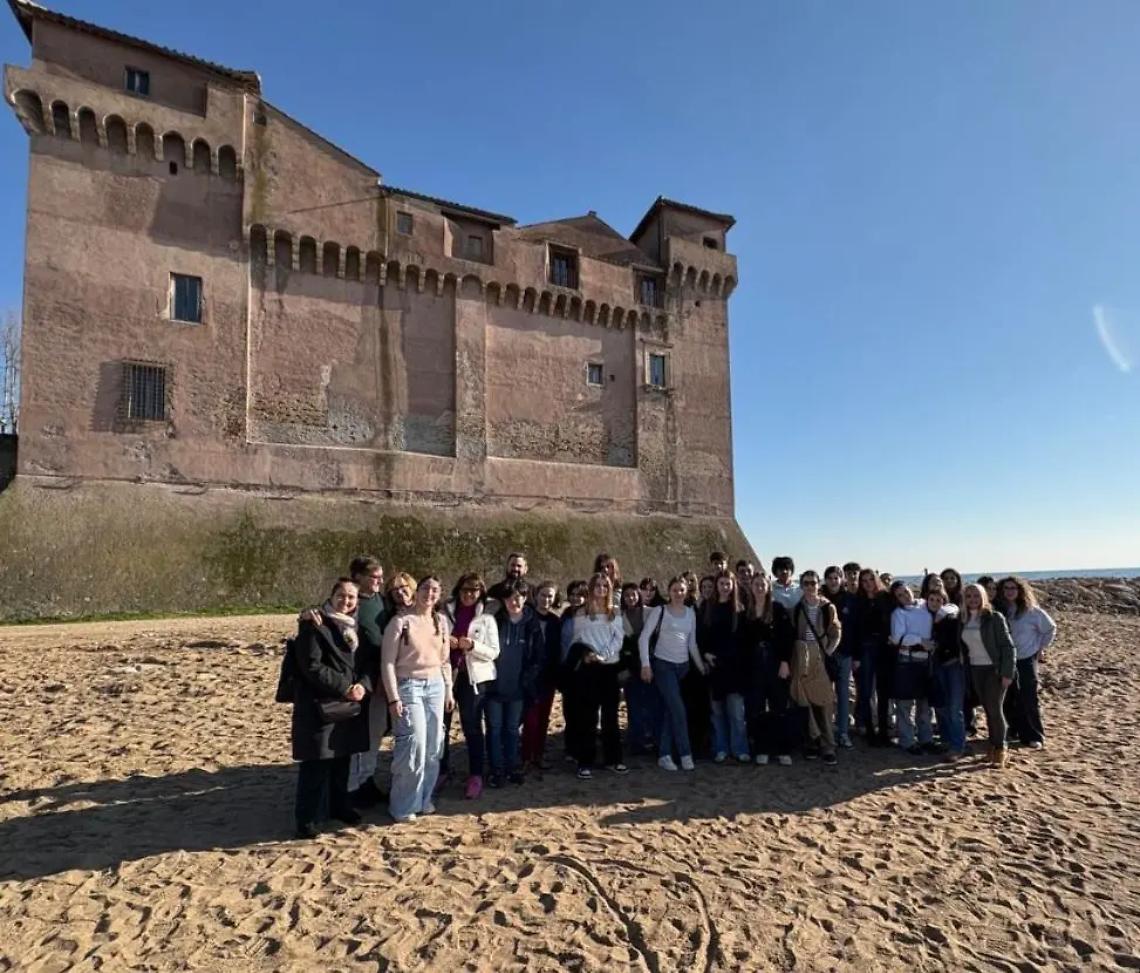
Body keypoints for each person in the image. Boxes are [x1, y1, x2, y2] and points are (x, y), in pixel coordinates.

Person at [290, 578, 375, 839]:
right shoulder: (314, 623)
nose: (346, 601)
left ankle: (339, 807)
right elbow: (312, 667)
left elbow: (366, 664)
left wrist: (363, 685)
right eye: (342, 595)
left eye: (351, 597)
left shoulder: (356, 629)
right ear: (332, 595)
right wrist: (345, 687)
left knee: (342, 760)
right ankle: (307, 819)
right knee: (316, 764)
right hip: (321, 704)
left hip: (349, 705)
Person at [381, 575, 454, 823]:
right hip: (408, 686)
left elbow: (444, 660)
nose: (429, 593)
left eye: (435, 590)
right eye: (425, 588)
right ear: (417, 591)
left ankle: (424, 798)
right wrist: (393, 698)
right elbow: (388, 662)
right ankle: (402, 805)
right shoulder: (400, 622)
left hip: (435, 685)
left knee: (434, 746)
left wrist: (449, 690)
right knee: (414, 745)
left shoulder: (441, 621)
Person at [440, 573, 501, 800]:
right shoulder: (443, 613)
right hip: (446, 674)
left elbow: (494, 652)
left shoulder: (487, 619)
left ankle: (475, 774)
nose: (469, 594)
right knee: (442, 727)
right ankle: (442, 769)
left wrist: (473, 645)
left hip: (473, 678)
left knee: (472, 726)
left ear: (480, 593)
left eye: (474, 590)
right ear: (458, 589)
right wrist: (448, 643)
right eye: (465, 589)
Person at [639, 577, 705, 771]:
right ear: (669, 591)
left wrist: (701, 668)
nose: (678, 593)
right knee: (678, 709)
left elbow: (691, 644)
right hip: (663, 666)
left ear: (686, 592)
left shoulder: (690, 613)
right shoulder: (660, 611)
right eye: (675, 590)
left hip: (683, 667)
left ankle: (665, 754)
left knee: (671, 711)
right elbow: (644, 638)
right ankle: (685, 754)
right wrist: (646, 665)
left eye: (682, 590)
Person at [564, 573, 626, 779]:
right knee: (588, 717)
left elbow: (619, 639)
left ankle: (613, 759)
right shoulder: (582, 612)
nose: (601, 589)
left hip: (609, 668)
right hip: (589, 669)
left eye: (604, 586)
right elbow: (577, 639)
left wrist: (604, 654)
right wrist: (587, 654)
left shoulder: (615, 612)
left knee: (611, 716)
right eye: (597, 586)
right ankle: (585, 762)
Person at [486, 580, 542, 787]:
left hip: (518, 687)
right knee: (494, 729)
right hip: (494, 686)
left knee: (511, 729)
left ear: (526, 598)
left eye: (519, 596)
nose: (514, 601)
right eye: (509, 597)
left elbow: (537, 655)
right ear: (503, 600)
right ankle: (496, 770)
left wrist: (529, 679)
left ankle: (512, 767)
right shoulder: (494, 620)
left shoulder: (531, 623)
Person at [994, 576, 1057, 750]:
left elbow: (1050, 628)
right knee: (1008, 698)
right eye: (1006, 588)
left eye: (1013, 588)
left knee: (1028, 697)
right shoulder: (999, 610)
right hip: (1005, 660)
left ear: (1020, 590)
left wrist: (1041, 648)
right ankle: (1013, 730)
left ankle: (1034, 735)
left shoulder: (1032, 611)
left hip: (1025, 658)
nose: (1009, 591)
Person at [960, 582, 1016, 767]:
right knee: (987, 709)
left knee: (994, 709)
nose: (972, 599)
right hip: (976, 669)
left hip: (994, 669)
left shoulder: (994, 618)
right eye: (968, 596)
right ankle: (992, 748)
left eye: (976, 595)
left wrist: (1007, 672)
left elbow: (1008, 647)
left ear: (983, 597)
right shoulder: (964, 619)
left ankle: (1001, 748)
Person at [789, 571, 842, 764]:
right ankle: (813, 742)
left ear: (819, 584)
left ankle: (828, 746)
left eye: (813, 583)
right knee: (805, 703)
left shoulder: (827, 607)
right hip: (802, 658)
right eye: (806, 583)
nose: (810, 587)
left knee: (824, 703)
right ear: (801, 585)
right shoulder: (797, 608)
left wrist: (828, 651)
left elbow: (836, 632)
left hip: (820, 657)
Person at [743, 573, 796, 766]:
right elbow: (742, 642)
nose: (759, 588)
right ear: (751, 587)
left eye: (762, 585)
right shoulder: (746, 611)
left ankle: (782, 749)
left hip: (775, 662)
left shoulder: (777, 608)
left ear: (768, 587)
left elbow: (787, 637)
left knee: (779, 707)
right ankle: (762, 748)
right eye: (756, 584)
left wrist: (784, 661)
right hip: (754, 665)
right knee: (757, 709)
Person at [699, 571, 749, 763]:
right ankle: (721, 748)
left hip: (734, 667)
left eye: (728, 584)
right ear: (717, 585)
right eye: (721, 583)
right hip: (714, 666)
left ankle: (739, 748)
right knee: (717, 712)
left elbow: (744, 641)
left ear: (733, 585)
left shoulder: (739, 609)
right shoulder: (707, 607)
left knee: (736, 712)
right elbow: (701, 635)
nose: (725, 587)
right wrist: (705, 654)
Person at [888, 580, 939, 756]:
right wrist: (919, 640)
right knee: (905, 704)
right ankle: (907, 740)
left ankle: (926, 739)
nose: (905, 596)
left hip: (926, 660)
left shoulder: (925, 605)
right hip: (907, 659)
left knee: (925, 704)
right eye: (900, 595)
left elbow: (946, 608)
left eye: (906, 591)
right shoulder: (898, 613)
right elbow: (897, 638)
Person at [522, 581, 563, 774]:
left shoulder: (556, 621)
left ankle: (538, 755)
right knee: (530, 718)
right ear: (536, 595)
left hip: (549, 676)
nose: (546, 599)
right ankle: (525, 757)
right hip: (529, 675)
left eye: (550, 596)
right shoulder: (527, 617)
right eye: (543, 595)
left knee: (544, 718)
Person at [854, 568, 895, 745]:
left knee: (884, 691)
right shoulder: (858, 601)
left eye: (871, 579)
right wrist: (856, 655)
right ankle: (870, 731)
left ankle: (884, 731)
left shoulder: (886, 598)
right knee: (865, 691)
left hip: (884, 647)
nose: (868, 583)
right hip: (865, 648)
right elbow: (854, 629)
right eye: (864, 580)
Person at [926, 589, 966, 758]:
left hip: (954, 665)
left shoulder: (950, 616)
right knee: (941, 706)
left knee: (955, 707)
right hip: (936, 665)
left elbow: (954, 609)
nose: (934, 603)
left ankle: (958, 746)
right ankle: (947, 740)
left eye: (938, 600)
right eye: (931, 599)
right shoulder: (925, 617)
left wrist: (944, 611)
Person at [619, 582, 656, 754]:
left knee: (649, 702)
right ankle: (636, 740)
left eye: (633, 594)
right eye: (627, 595)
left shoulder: (650, 612)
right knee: (633, 703)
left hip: (648, 663)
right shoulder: (619, 616)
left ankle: (649, 737)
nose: (630, 598)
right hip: (630, 664)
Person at [824, 565, 857, 748]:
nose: (833, 581)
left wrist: (856, 655)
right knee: (826, 695)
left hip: (845, 653)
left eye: (836, 578)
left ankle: (843, 732)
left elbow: (855, 629)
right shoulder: (821, 599)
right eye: (830, 578)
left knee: (843, 694)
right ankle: (828, 731)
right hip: (826, 653)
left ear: (841, 579)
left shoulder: (850, 600)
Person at [558, 580, 589, 763]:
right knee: (569, 711)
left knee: (583, 711)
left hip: (584, 670)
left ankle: (582, 748)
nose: (576, 598)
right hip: (566, 669)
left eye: (580, 594)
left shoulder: (591, 616)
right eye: (573, 594)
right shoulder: (565, 616)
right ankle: (570, 748)